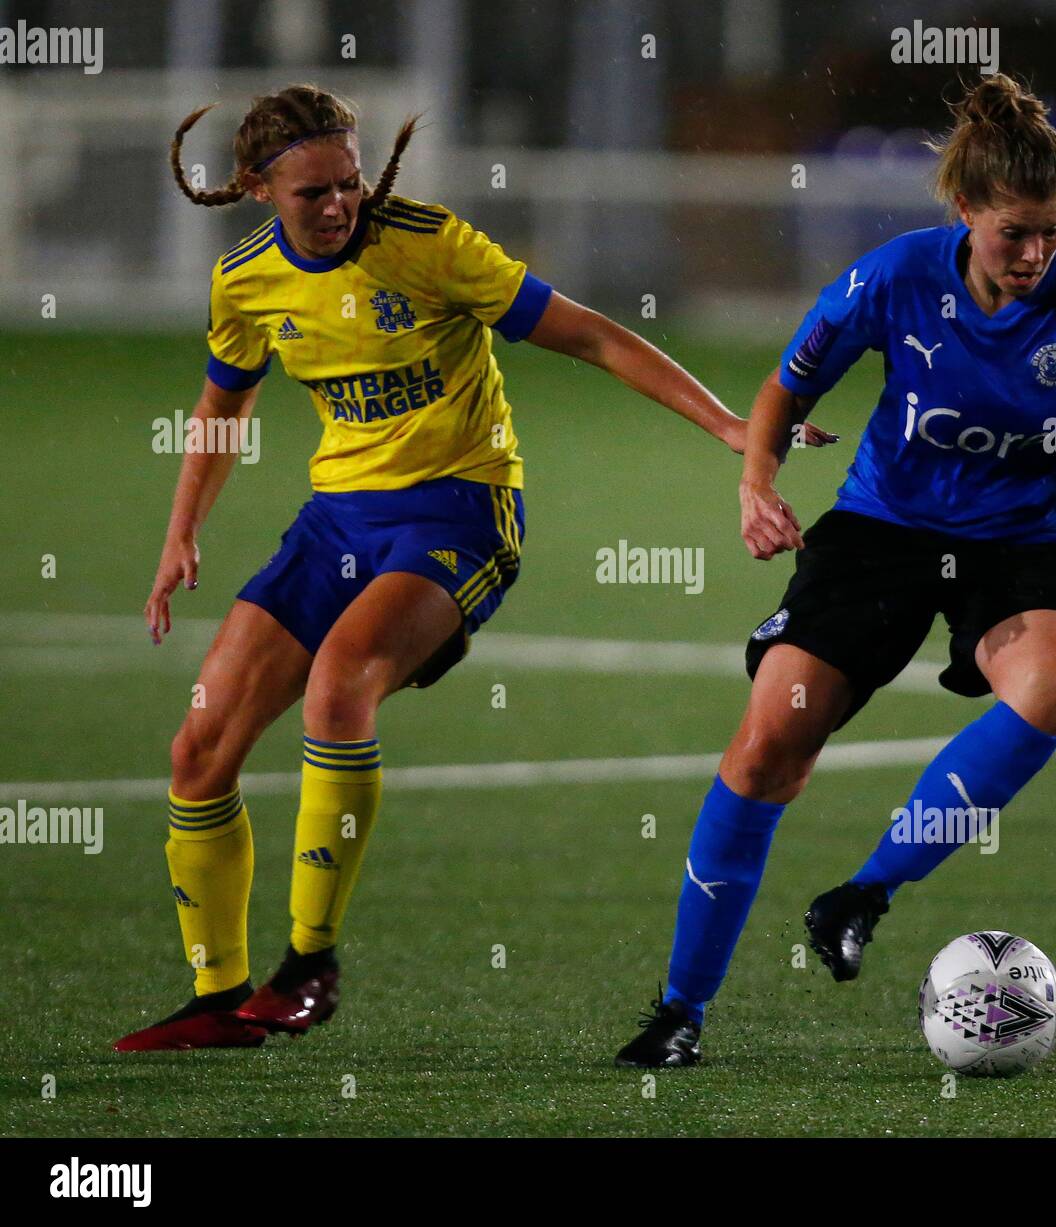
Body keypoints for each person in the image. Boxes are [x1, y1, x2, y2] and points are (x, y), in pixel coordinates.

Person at [114, 83, 833, 1052]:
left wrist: (731, 427)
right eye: (311, 194)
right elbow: (222, 405)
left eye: (349, 184)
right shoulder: (245, 281)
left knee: (339, 688)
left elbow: (585, 331)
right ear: (254, 189)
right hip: (335, 524)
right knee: (197, 752)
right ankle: (217, 998)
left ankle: (309, 965)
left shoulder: (429, 243)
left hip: (460, 509)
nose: (338, 207)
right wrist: (179, 534)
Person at [614, 74, 1056, 1069]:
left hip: (1023, 540)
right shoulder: (892, 279)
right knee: (771, 742)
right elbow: (783, 388)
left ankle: (863, 893)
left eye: (1052, 231)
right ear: (964, 211)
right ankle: (680, 1009)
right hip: (882, 528)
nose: (1034, 255)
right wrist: (756, 484)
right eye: (1013, 232)